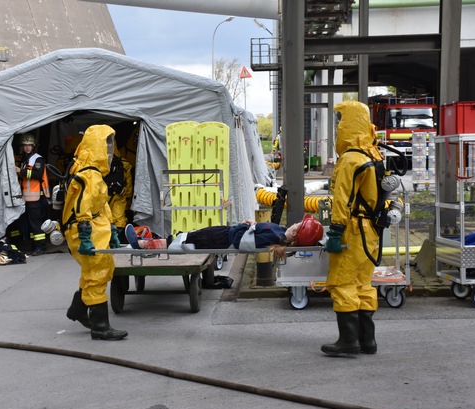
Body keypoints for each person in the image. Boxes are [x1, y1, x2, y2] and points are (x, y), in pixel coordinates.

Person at [321, 100, 383, 356]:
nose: (338, 126)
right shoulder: (373, 154)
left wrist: (335, 231)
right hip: (371, 232)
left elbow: (342, 199)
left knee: (342, 284)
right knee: (363, 285)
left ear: (348, 125)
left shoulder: (350, 159)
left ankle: (348, 341)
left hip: (352, 231)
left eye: (340, 121)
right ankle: (367, 341)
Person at [62, 124, 128, 341]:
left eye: (111, 144)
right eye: (106, 144)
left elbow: (103, 205)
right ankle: (100, 327)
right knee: (96, 274)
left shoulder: (95, 174)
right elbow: (83, 207)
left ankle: (78, 309)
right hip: (86, 231)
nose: (110, 149)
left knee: (102, 270)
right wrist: (84, 237)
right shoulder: (89, 175)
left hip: (95, 230)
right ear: (96, 146)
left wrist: (112, 229)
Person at [125, 214, 323, 260]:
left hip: (224, 238)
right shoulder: (279, 233)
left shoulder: (276, 235)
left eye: (298, 224)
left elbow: (242, 242)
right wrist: (251, 226)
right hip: (225, 234)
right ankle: (151, 242)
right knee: (189, 237)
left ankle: (143, 245)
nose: (295, 223)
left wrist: (248, 228)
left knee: (187, 240)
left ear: (296, 232)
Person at [14, 133, 50, 256]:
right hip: (28, 197)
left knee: (36, 223)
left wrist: (21, 171)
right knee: (31, 224)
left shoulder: (37, 159)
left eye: (29, 145)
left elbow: (37, 174)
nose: (27, 147)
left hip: (35, 197)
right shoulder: (26, 159)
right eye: (25, 145)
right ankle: (35, 245)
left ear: (33, 146)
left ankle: (41, 247)